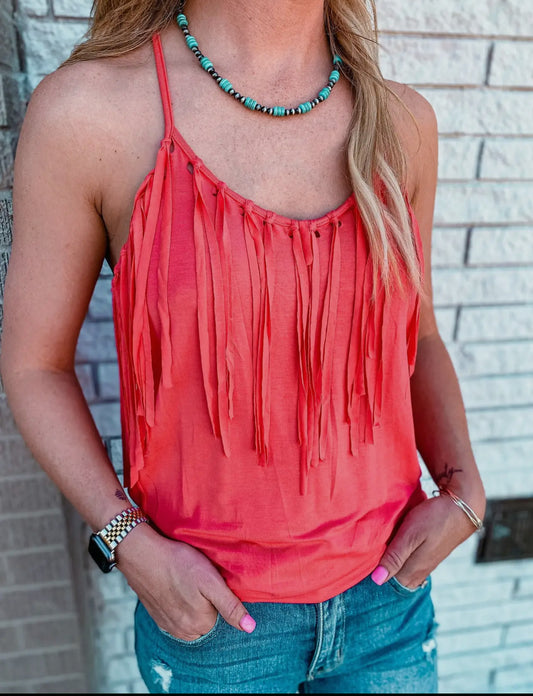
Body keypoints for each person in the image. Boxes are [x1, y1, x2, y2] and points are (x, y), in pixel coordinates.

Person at [0, 0, 486, 693]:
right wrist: (124, 542)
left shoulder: (400, 123)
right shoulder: (93, 114)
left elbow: (420, 335)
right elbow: (33, 365)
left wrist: (463, 486)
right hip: (215, 628)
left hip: (390, 604)